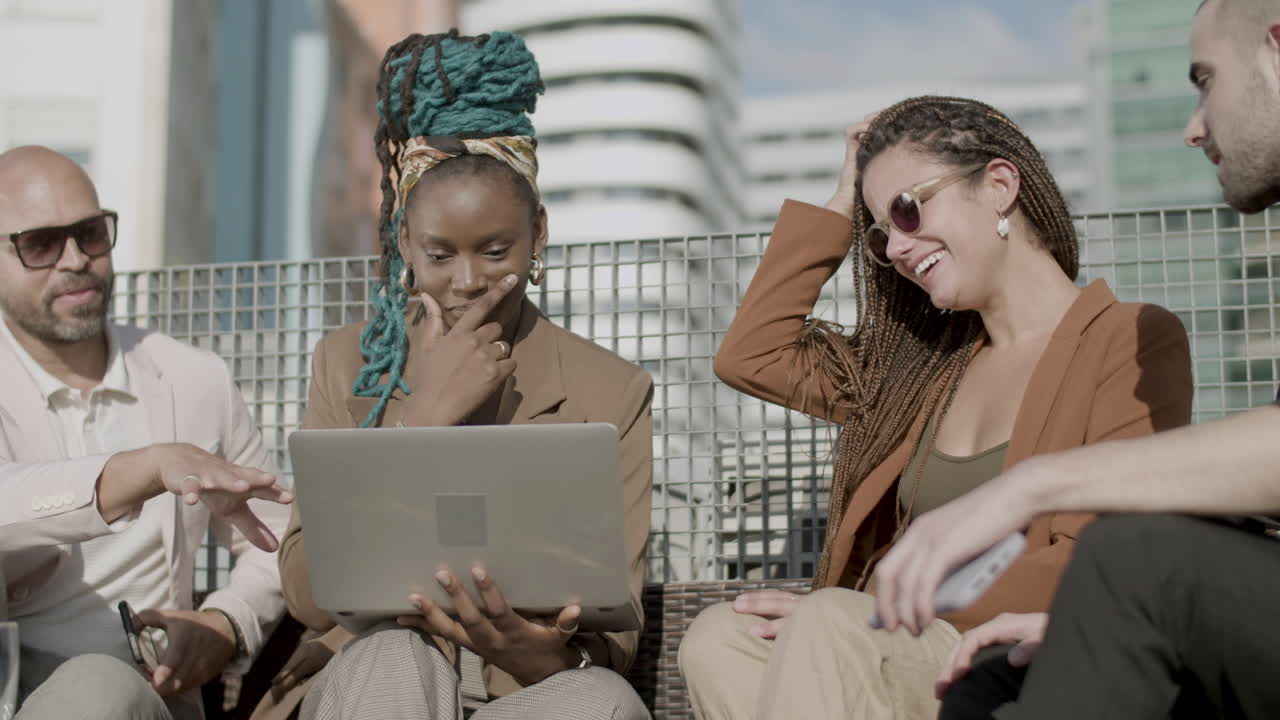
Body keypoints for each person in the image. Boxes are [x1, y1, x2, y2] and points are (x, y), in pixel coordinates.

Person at [675, 96, 1196, 720]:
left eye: (906, 209)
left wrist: (878, 610)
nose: (896, 247)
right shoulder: (921, 370)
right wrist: (843, 198)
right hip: (883, 644)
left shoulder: (1129, 337)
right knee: (721, 640)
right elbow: (752, 357)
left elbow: (1102, 554)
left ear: (1000, 186)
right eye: (880, 233)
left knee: (829, 624)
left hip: (1016, 657)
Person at [872, 2, 1280, 718]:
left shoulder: (1126, 337)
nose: (1192, 128)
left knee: (1126, 559)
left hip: (950, 622)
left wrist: (1027, 488)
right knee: (993, 678)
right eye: (881, 233)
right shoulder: (936, 369)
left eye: (1205, 80)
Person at [250, 31, 654, 720]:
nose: (467, 281)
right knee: (393, 657)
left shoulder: (612, 389)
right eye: (439, 255)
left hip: (522, 691)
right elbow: (308, 594)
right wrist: (421, 421)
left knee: (603, 701)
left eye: (495, 251)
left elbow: (615, 637)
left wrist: (535, 653)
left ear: (538, 235)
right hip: (372, 682)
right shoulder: (348, 364)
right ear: (404, 243)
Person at [0, 146, 294, 720]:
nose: (75, 259)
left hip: (150, 698)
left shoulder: (192, 377)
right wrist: (142, 469)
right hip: (14, 691)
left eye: (90, 233)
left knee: (96, 683)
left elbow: (280, 537)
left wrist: (227, 622)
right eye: (41, 244)